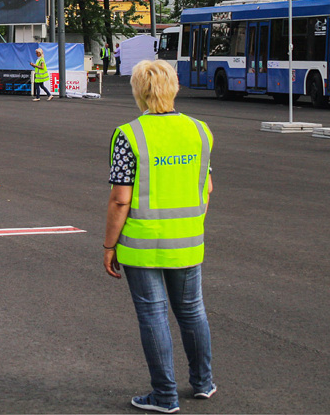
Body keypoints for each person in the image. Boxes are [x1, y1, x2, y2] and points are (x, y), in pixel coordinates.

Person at [103, 59, 215, 414]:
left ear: (139, 91)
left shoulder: (129, 134)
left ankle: (164, 396)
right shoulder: (199, 131)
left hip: (143, 243)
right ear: (175, 87)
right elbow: (207, 187)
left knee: (153, 316)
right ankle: (203, 382)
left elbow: (121, 198)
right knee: (192, 312)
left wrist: (109, 245)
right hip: (187, 239)